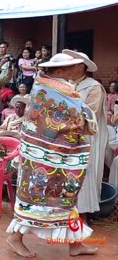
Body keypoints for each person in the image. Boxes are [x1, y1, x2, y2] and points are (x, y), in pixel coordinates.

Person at [6, 53, 98, 257]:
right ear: (59, 71)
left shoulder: (47, 87)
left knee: (67, 197)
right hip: (47, 156)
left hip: (57, 154)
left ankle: (75, 244)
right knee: (37, 200)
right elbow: (70, 119)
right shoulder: (54, 90)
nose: (76, 70)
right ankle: (15, 237)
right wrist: (84, 119)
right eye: (72, 67)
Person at [63, 49, 107, 218]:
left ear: (81, 67)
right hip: (67, 137)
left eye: (71, 65)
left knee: (84, 174)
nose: (68, 68)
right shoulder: (67, 86)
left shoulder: (94, 87)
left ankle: (83, 217)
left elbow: (91, 113)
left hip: (85, 139)